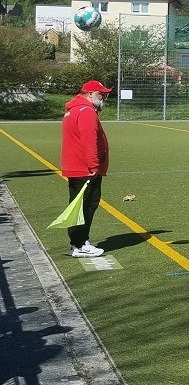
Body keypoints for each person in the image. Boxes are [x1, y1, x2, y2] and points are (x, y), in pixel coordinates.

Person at [60, 80, 112, 258]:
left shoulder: (74, 110)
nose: (103, 97)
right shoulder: (86, 111)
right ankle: (80, 244)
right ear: (90, 94)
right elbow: (89, 141)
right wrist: (94, 166)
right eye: (100, 94)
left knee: (79, 205)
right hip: (84, 168)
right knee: (86, 205)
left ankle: (78, 243)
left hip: (76, 166)